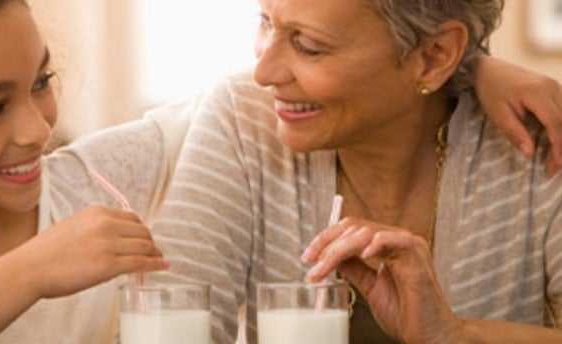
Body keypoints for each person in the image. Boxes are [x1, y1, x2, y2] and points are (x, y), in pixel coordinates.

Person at [0, 0, 562, 343]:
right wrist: (31, 271)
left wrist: (472, 66)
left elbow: (261, 95)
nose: (37, 128)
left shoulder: (85, 180)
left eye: (41, 84)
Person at [148, 0, 562, 343]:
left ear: (434, 56)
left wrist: (454, 335)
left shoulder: (538, 145)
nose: (264, 73)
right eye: (265, 22)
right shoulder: (244, 120)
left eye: (309, 45)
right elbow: (168, 320)